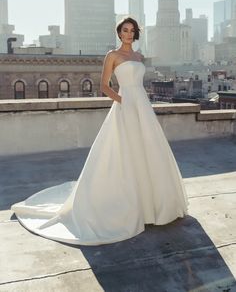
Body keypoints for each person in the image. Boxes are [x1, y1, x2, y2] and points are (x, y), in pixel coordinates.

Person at [11, 17, 189, 246]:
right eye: (125, 30)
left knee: (149, 152)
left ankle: (153, 207)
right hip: (125, 105)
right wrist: (123, 101)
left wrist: (140, 102)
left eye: (132, 31)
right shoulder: (112, 55)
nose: (128, 34)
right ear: (119, 32)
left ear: (135, 34)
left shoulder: (138, 56)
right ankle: (132, 206)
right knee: (125, 153)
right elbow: (104, 85)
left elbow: (139, 83)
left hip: (142, 106)